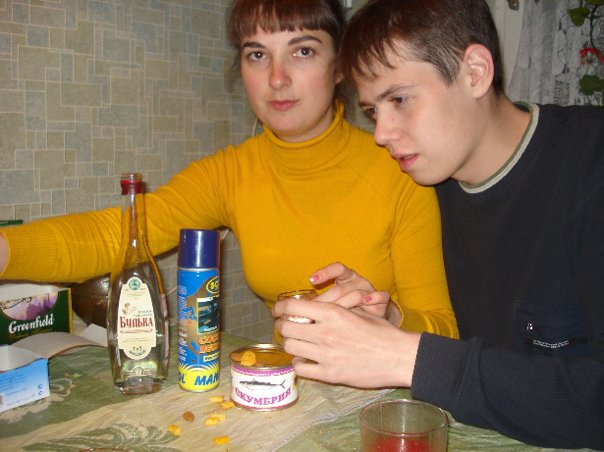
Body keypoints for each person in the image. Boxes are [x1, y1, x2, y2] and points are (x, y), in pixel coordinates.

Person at [0, 0, 458, 341]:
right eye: (257, 54)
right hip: (286, 393)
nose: (276, 78)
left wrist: (388, 316)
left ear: (340, 66)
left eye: (302, 51)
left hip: (386, 404)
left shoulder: (400, 169)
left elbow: (443, 330)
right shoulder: (232, 173)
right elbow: (118, 234)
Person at [273, 0, 604, 449]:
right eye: (373, 111)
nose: (381, 134)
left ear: (475, 72)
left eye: (399, 100)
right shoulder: (423, 183)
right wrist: (389, 319)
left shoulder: (590, 166)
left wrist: (409, 358)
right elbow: (463, 348)